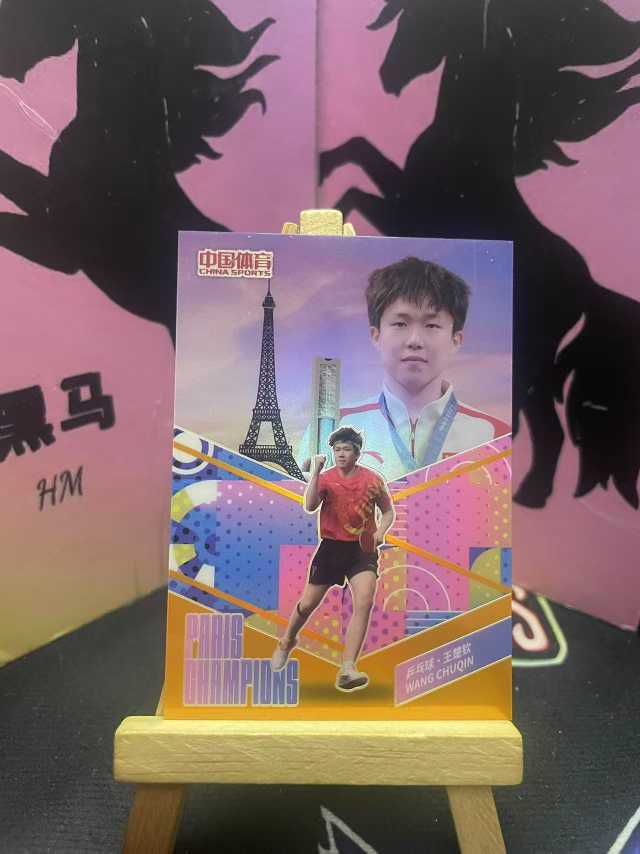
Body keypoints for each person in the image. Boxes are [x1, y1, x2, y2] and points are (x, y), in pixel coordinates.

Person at [297, 257, 510, 481]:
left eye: (432, 325)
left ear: (456, 340)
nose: (415, 340)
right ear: (376, 336)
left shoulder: (497, 438)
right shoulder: (331, 427)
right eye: (400, 324)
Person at [271, 426, 395, 692]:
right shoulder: (325, 479)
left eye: (346, 449)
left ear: (356, 453)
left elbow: (388, 512)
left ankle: (348, 668)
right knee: (307, 604)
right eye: (337, 449)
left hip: (361, 550)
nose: (340, 454)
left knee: (364, 601)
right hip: (331, 549)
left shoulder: (373, 480)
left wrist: (380, 533)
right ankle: (287, 640)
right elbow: (309, 506)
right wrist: (316, 472)